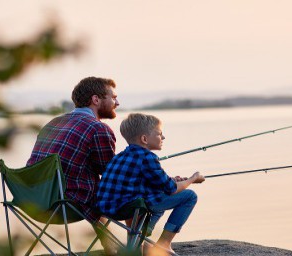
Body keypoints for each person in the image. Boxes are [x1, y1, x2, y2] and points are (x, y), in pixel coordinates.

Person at [26, 76, 119, 251]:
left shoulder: (52, 123)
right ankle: (128, 249)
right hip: (65, 205)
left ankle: (112, 247)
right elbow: (109, 174)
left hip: (34, 200)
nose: (117, 102)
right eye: (113, 97)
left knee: (91, 188)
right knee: (132, 191)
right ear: (96, 99)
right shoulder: (98, 128)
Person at [97, 113, 205, 255]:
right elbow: (171, 189)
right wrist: (192, 179)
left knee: (157, 192)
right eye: (160, 134)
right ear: (144, 139)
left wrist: (172, 179)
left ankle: (142, 238)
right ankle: (163, 243)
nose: (163, 137)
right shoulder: (148, 157)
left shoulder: (119, 156)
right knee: (189, 196)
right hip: (130, 208)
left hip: (106, 208)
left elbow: (146, 180)